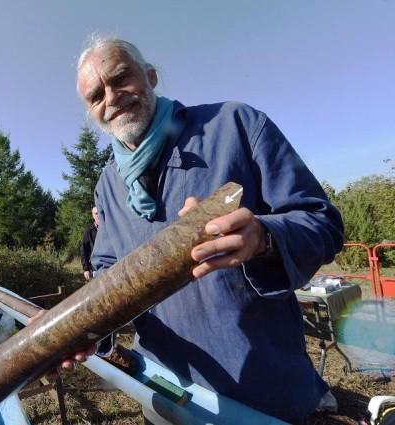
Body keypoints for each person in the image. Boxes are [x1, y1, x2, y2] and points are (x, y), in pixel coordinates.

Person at [72, 36, 344, 423]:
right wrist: (81, 326)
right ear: (91, 112)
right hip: (165, 394)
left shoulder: (236, 124)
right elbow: (105, 270)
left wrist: (263, 238)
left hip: (264, 395)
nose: (111, 97)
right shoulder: (107, 185)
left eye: (120, 78)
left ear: (150, 76)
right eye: (96, 95)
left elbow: (322, 222)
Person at [81, 206, 100, 281]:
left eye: (99, 213)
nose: (98, 215)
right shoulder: (89, 231)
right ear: (93, 216)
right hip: (96, 268)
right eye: (96, 213)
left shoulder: (109, 227)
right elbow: (84, 250)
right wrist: (86, 269)